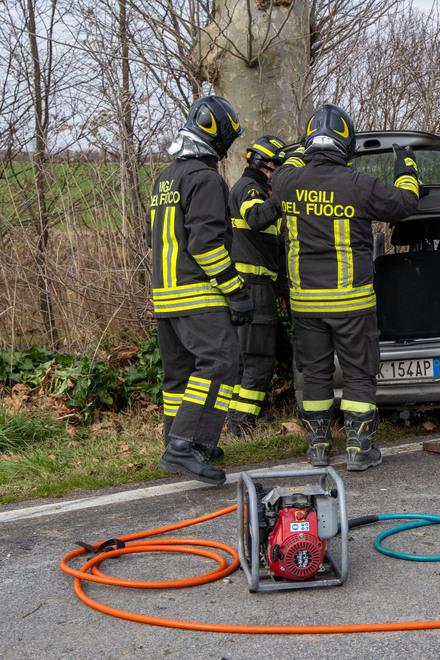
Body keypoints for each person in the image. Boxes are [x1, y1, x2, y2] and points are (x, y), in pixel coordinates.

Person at [271, 104, 420, 471]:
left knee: (316, 374)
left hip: (305, 304)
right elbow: (405, 204)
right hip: (351, 302)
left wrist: (294, 152)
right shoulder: (359, 184)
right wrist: (407, 169)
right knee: (358, 373)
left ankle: (319, 447)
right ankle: (358, 448)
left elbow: (286, 166)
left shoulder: (287, 182)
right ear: (346, 143)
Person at [148, 95, 252, 485]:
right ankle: (186, 444)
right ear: (218, 137)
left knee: (180, 375)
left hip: (166, 298)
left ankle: (180, 442)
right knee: (221, 363)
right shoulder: (205, 179)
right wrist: (235, 291)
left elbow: (153, 237)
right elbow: (206, 245)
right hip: (199, 296)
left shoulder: (166, 178)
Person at [225, 135, 286, 437]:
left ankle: (235, 420)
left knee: (245, 360)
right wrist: (282, 198)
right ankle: (241, 425)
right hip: (254, 287)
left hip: (254, 287)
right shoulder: (250, 189)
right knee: (258, 362)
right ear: (269, 164)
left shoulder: (253, 188)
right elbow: (257, 217)